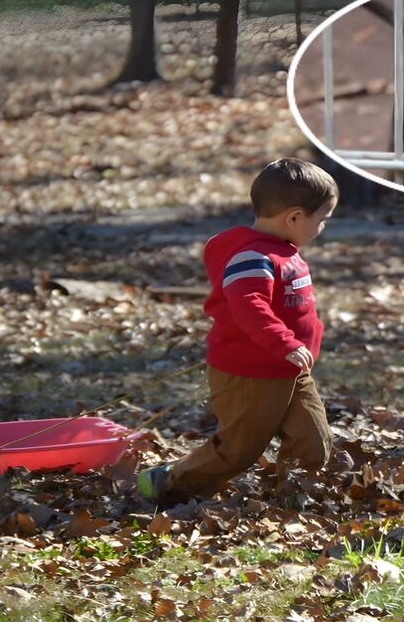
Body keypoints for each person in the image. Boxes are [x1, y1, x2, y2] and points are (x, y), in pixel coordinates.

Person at [138, 158, 339, 505]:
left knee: (314, 441)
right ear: (293, 217)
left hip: (290, 369)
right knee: (237, 451)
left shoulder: (282, 250)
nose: (323, 227)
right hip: (250, 373)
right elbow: (249, 306)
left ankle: (294, 498)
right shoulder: (251, 257)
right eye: (322, 219)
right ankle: (168, 482)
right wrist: (283, 342)